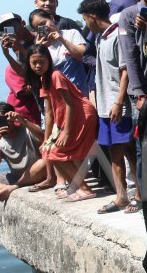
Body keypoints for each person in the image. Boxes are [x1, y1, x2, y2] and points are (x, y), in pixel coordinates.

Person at [80, 0, 141, 214]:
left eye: (85, 19)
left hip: (118, 104)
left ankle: (140, 194)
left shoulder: (117, 34)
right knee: (115, 152)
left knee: (130, 151)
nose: (85, 24)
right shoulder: (99, 38)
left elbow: (125, 70)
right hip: (105, 105)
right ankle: (121, 196)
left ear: (91, 16)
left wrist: (118, 101)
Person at [26, 44, 99, 201]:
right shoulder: (43, 79)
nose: (38, 65)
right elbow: (49, 112)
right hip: (68, 120)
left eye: (42, 61)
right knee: (48, 152)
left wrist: (66, 131)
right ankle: (75, 187)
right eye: (34, 62)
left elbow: (70, 104)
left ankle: (85, 189)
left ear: (49, 61)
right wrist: (47, 139)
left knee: (56, 154)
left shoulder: (55, 75)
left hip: (82, 116)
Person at [0, 103, 47, 201]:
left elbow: (45, 138)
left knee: (44, 163)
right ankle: (11, 189)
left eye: (6, 119)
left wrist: (23, 121)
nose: (5, 123)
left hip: (36, 174)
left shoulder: (27, 130)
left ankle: (14, 187)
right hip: (16, 177)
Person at [28, 9, 89, 95]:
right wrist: (39, 49)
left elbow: (83, 56)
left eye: (44, 23)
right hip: (55, 94)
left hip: (78, 92)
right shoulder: (40, 46)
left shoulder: (72, 34)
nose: (44, 28)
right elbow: (37, 73)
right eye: (38, 28)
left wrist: (61, 39)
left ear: (52, 18)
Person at [0, 12, 41, 123]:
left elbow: (41, 63)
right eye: (7, 30)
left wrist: (20, 48)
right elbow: (22, 72)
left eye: (13, 27)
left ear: (23, 24)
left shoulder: (39, 38)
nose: (12, 32)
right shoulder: (18, 47)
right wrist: (7, 54)